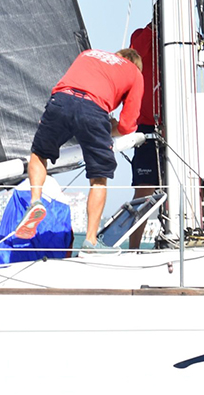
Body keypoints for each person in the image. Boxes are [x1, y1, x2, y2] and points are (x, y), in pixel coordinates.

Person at [14, 49, 144, 249]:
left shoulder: (89, 54)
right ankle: (90, 242)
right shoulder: (135, 73)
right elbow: (127, 125)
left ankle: (35, 201)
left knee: (39, 154)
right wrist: (110, 127)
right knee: (99, 177)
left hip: (61, 100)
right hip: (94, 110)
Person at [128, 14, 162, 249]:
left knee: (182, 189)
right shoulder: (141, 37)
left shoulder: (180, 47)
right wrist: (153, 28)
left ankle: (178, 239)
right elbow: (135, 56)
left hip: (176, 125)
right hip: (147, 127)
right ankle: (134, 249)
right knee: (144, 192)